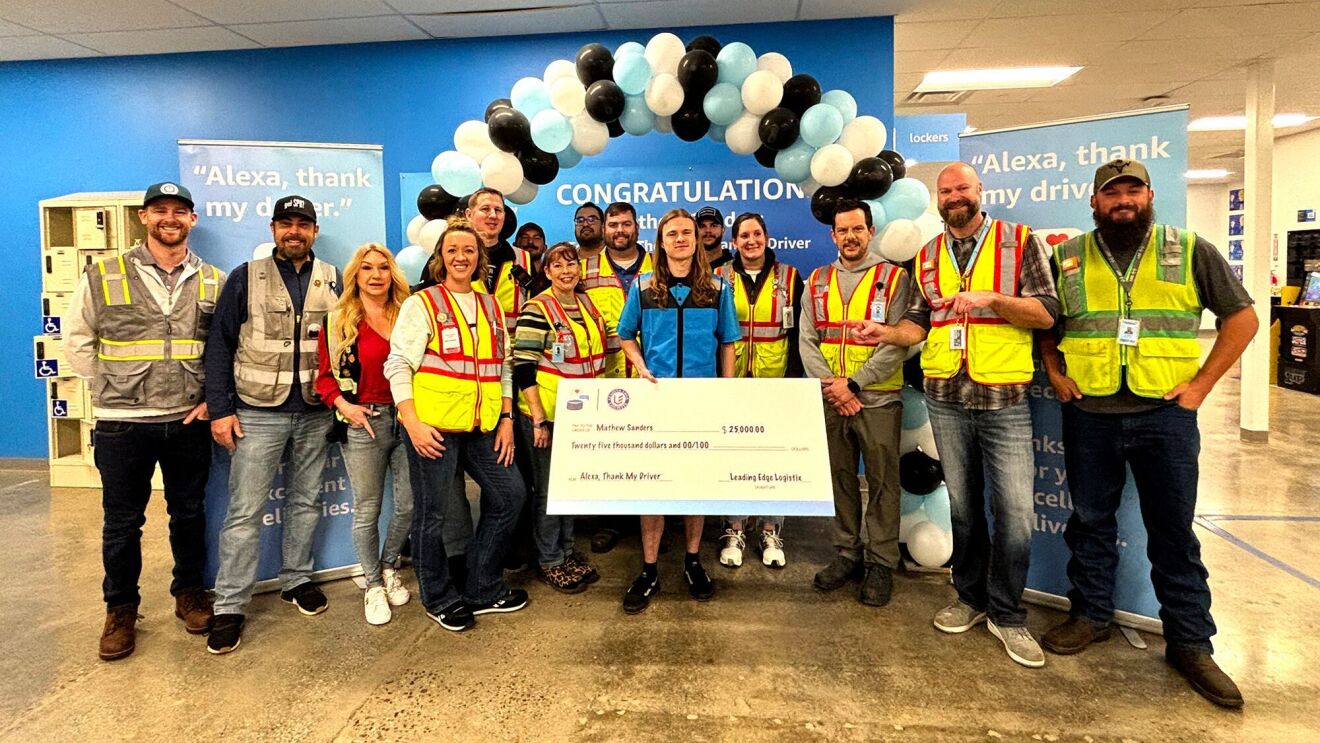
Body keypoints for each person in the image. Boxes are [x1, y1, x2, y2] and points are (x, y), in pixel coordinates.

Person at [1039, 159, 1256, 708]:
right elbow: (1047, 323)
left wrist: (1203, 385)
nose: (1123, 201)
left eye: (1132, 190)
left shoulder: (1188, 249)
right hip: (1089, 412)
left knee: (1173, 532)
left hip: (1165, 415)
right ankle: (1090, 616)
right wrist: (1055, 371)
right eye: (1112, 193)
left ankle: (1190, 642)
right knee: (1089, 523)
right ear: (1094, 202)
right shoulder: (1066, 258)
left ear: (1149, 195)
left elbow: (1244, 318)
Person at [852, 162, 1059, 668]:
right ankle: (969, 598)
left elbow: (1049, 312)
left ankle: (1007, 616)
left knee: (1015, 514)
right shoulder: (927, 257)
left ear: (979, 191)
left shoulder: (1018, 242)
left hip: (1003, 399)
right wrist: (886, 333)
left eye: (961, 187)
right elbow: (919, 325)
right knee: (965, 510)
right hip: (947, 397)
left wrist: (991, 299)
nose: (953, 197)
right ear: (938, 200)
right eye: (945, 191)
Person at [64, 181, 225, 660]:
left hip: (188, 419)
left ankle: (189, 594)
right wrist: (114, 385)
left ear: (192, 220)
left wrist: (211, 400)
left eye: (179, 211)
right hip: (122, 423)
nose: (170, 218)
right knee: (122, 522)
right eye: (160, 211)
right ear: (143, 217)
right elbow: (77, 341)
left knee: (189, 513)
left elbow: (221, 349)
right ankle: (120, 609)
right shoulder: (106, 273)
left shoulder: (213, 279)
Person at [204, 194, 341, 655]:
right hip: (256, 413)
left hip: (314, 413)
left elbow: (342, 347)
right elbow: (219, 345)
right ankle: (229, 605)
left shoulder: (333, 279)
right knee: (244, 511)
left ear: (315, 231)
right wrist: (220, 409)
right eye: (286, 223)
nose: (294, 231)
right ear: (273, 228)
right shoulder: (246, 277)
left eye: (303, 224)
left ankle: (296, 579)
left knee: (305, 501)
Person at [385, 217, 529, 633]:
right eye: (452, 251)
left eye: (469, 250)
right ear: (440, 258)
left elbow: (502, 365)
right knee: (432, 516)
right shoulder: (423, 303)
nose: (461, 257)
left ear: (479, 257)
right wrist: (410, 421)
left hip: (484, 426)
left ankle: (482, 587)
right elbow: (398, 363)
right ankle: (438, 596)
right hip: (433, 428)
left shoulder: (490, 306)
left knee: (510, 496)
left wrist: (505, 417)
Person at [616, 208, 741, 614]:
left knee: (695, 484)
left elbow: (727, 342)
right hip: (657, 401)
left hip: (702, 400)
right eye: (673, 233)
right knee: (653, 486)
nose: (682, 239)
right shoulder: (644, 287)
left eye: (687, 232)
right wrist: (639, 365)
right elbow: (624, 336)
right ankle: (649, 569)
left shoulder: (719, 289)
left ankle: (692, 561)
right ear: (662, 241)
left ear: (697, 239)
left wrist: (727, 391)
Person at [800, 199, 913, 608]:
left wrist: (855, 383)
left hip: (878, 399)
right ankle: (847, 552)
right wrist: (833, 387)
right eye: (842, 230)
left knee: (883, 483)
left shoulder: (895, 279)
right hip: (831, 399)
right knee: (841, 479)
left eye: (857, 229)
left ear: (870, 232)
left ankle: (881, 562)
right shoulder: (816, 280)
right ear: (832, 235)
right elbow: (807, 340)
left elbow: (898, 340)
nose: (850, 237)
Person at [314, 243, 414, 626]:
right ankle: (372, 584)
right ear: (355, 275)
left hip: (407, 419)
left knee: (407, 505)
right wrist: (346, 407)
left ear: (393, 273)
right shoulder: (338, 319)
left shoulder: (409, 313)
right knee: (368, 509)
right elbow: (324, 378)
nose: (376, 275)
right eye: (367, 268)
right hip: (364, 422)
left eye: (383, 268)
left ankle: (389, 566)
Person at [512, 242, 611, 592]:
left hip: (581, 417)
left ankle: (567, 552)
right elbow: (523, 367)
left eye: (572, 264)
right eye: (558, 266)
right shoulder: (537, 308)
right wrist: (538, 418)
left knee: (570, 488)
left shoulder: (587, 305)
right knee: (548, 491)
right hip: (547, 417)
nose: (567, 271)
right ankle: (550, 559)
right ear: (547, 272)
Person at [714, 212, 804, 570]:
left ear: (766, 237)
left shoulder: (791, 277)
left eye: (756, 234)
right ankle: (734, 529)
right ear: (733, 242)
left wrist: (795, 380)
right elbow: (713, 332)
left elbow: (800, 332)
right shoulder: (719, 276)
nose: (750, 241)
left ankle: (771, 530)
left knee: (773, 460)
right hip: (733, 383)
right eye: (743, 236)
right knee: (734, 457)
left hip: (776, 382)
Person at [579, 201, 654, 554]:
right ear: (605, 229)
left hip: (652, 373)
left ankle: (653, 521)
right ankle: (611, 520)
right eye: (613, 225)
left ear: (638, 227)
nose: (619, 231)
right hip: (606, 376)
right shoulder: (583, 269)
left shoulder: (661, 265)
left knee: (651, 449)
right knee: (611, 451)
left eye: (626, 224)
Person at [467, 188, 535, 324]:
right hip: (466, 342)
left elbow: (537, 307)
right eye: (485, 209)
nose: (493, 215)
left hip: (512, 344)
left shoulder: (523, 258)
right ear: (469, 214)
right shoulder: (451, 255)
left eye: (498, 210)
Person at [696, 206, 733, 270]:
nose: (708, 230)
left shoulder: (735, 268)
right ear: (695, 231)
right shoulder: (687, 267)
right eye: (702, 226)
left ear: (723, 230)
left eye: (713, 225)